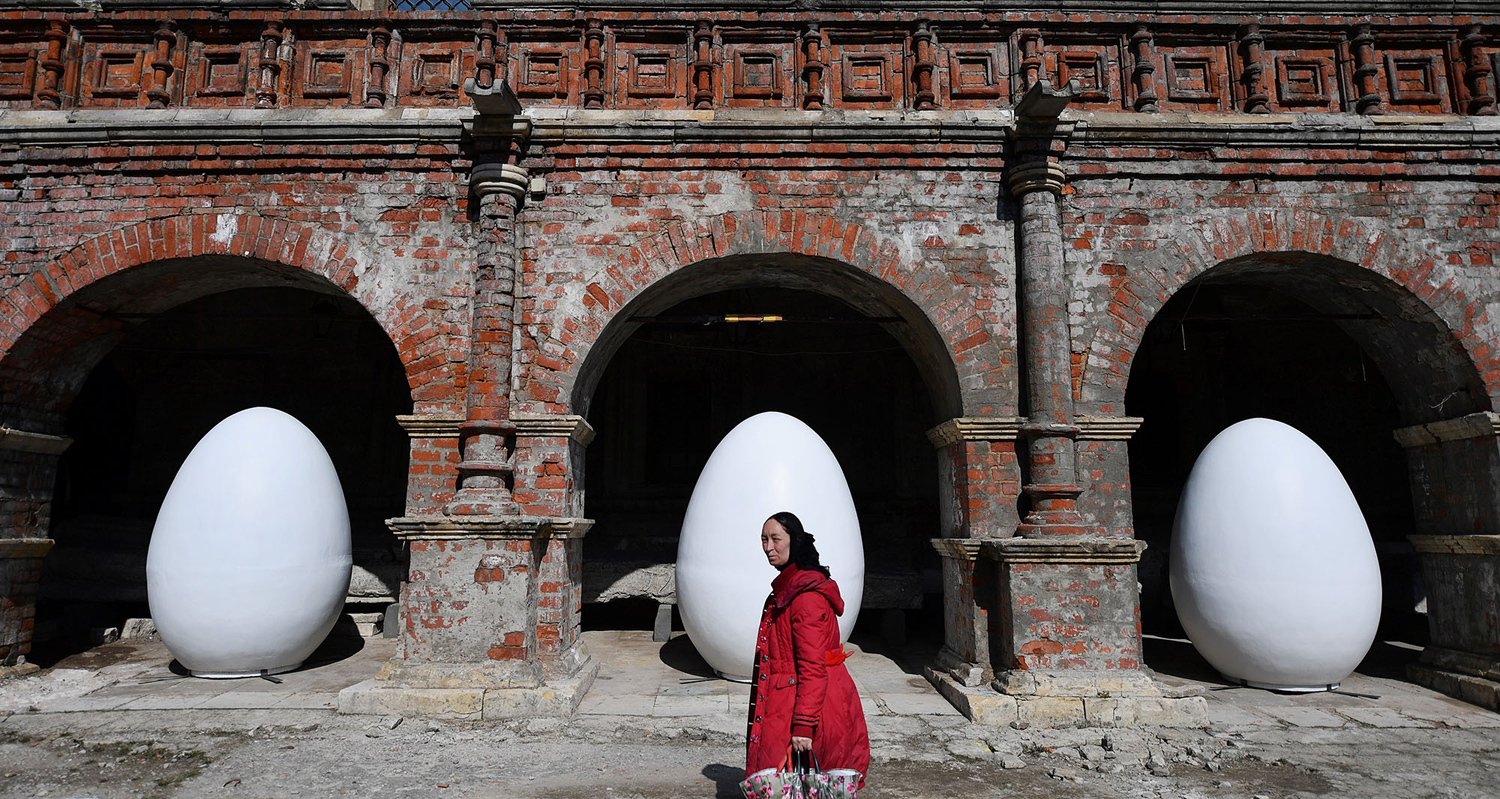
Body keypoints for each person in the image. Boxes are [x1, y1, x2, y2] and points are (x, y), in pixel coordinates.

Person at [744, 511, 870, 786]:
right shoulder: (790, 587)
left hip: (814, 708)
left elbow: (812, 667)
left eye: (776, 539)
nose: (768, 547)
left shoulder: (805, 599)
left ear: (795, 541)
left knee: (803, 785)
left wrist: (803, 726)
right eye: (763, 539)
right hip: (794, 699)